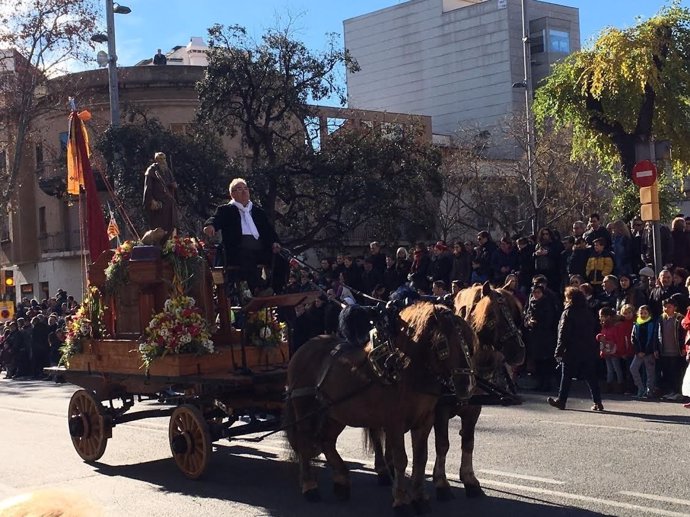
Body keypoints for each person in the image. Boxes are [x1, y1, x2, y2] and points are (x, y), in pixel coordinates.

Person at [203, 178, 283, 293]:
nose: (244, 191)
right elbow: (215, 219)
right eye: (239, 189)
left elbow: (269, 230)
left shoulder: (258, 212)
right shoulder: (226, 210)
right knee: (246, 255)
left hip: (260, 251)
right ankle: (258, 289)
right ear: (232, 194)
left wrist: (275, 242)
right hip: (237, 251)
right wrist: (210, 226)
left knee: (280, 259)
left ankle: (276, 289)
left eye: (246, 188)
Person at [547, 286, 604, 411]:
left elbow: (563, 333)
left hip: (572, 348)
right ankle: (598, 401)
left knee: (566, 376)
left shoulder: (568, 312)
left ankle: (561, 400)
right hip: (588, 348)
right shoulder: (588, 312)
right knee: (591, 376)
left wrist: (559, 350)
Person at [143, 152, 178, 234]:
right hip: (159, 205)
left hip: (169, 205)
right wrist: (151, 200)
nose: (162, 161)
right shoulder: (151, 171)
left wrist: (174, 186)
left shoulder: (167, 171)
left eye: (164, 159)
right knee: (159, 229)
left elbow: (171, 183)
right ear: (156, 160)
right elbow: (148, 188)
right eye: (160, 159)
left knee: (170, 229)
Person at [630, 304, 659, 398]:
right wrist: (638, 351)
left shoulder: (653, 323)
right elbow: (633, 338)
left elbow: (654, 339)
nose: (643, 314)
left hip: (649, 352)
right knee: (633, 368)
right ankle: (640, 388)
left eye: (645, 313)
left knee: (650, 372)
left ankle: (649, 390)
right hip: (638, 352)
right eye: (641, 313)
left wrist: (648, 351)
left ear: (649, 313)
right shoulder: (636, 324)